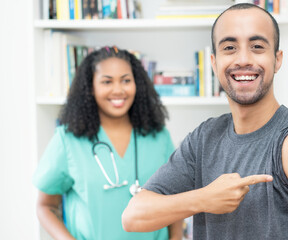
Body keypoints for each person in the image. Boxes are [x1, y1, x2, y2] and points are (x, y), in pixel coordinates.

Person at [122, 3, 288, 239]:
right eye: (230, 47)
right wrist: (204, 198)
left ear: (277, 60)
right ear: (214, 62)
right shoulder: (204, 139)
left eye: (257, 46)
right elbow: (133, 216)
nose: (243, 59)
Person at [33, 46, 183, 240]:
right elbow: (46, 206)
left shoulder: (159, 137)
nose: (118, 90)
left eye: (126, 80)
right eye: (107, 82)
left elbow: (174, 201)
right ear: (91, 87)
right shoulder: (67, 140)